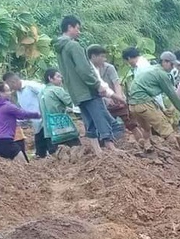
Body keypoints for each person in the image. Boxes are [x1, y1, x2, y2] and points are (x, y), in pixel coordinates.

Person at [55, 15, 123, 155]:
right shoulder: (73, 46)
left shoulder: (59, 49)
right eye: (77, 28)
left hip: (75, 93)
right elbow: (84, 69)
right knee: (101, 116)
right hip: (87, 90)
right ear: (70, 27)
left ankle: (97, 150)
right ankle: (111, 147)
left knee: (89, 120)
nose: (79, 32)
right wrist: (97, 85)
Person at [127, 52, 180, 153]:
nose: (173, 67)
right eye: (172, 64)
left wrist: (161, 108)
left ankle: (147, 147)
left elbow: (144, 91)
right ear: (164, 62)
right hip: (143, 103)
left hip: (133, 105)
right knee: (167, 131)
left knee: (146, 128)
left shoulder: (151, 69)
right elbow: (173, 96)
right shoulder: (161, 74)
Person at [88, 45, 145, 142]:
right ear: (93, 57)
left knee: (131, 125)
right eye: (102, 56)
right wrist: (107, 99)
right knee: (108, 127)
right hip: (105, 103)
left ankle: (143, 144)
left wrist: (118, 97)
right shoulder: (89, 70)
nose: (104, 59)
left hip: (118, 101)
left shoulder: (109, 68)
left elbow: (116, 83)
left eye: (104, 57)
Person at [0, 81, 41, 161]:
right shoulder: (7, 106)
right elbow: (22, 114)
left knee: (14, 168)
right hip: (6, 141)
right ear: (1, 93)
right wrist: (39, 115)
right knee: (24, 165)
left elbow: (20, 117)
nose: (10, 92)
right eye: (7, 90)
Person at [3, 72, 50, 158]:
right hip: (36, 123)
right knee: (41, 147)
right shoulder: (18, 92)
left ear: (14, 81)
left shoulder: (31, 86)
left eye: (10, 86)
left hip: (44, 120)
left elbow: (46, 92)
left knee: (46, 146)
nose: (11, 89)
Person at [40, 68, 81, 149]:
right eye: (58, 77)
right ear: (50, 78)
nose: (61, 79)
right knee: (77, 149)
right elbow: (71, 102)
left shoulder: (42, 92)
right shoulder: (57, 89)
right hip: (62, 126)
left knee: (58, 154)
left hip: (49, 129)